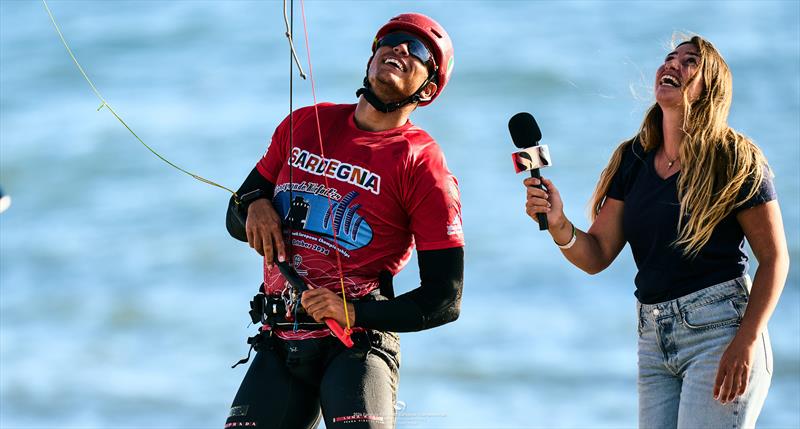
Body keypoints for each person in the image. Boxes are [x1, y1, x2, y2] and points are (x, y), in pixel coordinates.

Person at [523, 35, 789, 427]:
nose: (673, 65)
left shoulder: (735, 158)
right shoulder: (634, 159)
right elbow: (596, 254)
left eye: (689, 61)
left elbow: (774, 258)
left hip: (721, 334)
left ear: (710, 86)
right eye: (669, 58)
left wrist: (747, 340)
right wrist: (559, 225)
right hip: (653, 340)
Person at [224, 13, 464, 429]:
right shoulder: (303, 123)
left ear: (427, 89)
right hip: (280, 338)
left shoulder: (423, 163)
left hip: (356, 344)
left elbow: (445, 298)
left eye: (418, 50)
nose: (400, 49)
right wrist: (256, 205)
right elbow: (236, 213)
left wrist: (350, 311)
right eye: (391, 41)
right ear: (371, 59)